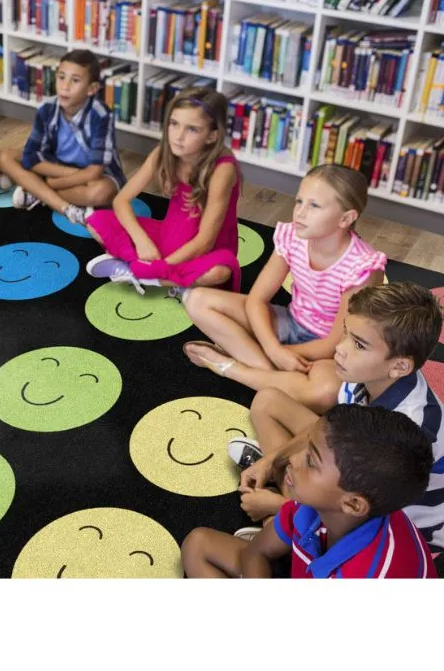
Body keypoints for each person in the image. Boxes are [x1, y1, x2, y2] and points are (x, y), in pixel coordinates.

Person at [228, 282, 444, 550]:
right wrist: (271, 461)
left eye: (359, 345)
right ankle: (284, 501)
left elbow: (360, 510)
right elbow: (328, 427)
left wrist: (278, 505)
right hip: (356, 465)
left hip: (397, 523)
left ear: (400, 366)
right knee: (267, 401)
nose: (339, 349)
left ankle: (281, 523)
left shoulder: (410, 431)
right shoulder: (364, 376)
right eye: (345, 333)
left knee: (274, 536)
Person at [183, 164, 386, 410]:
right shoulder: (292, 237)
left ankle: (230, 367)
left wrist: (281, 350)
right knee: (196, 300)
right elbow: (256, 300)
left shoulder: (363, 267)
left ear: (346, 218)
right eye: (299, 201)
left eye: (314, 206)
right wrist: (274, 350)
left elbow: (335, 341)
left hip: (330, 349)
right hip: (289, 322)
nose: (299, 212)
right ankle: (275, 377)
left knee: (326, 394)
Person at [182, 405, 436, 578]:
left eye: (311, 461)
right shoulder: (316, 504)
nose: (292, 458)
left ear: (353, 505)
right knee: (198, 543)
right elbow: (256, 552)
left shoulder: (370, 573)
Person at [85, 87, 240, 295]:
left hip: (204, 250)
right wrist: (143, 242)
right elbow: (121, 201)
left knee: (218, 273)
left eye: (192, 129)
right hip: (167, 237)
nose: (178, 136)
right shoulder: (163, 153)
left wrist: (159, 267)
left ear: (212, 136)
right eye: (174, 124)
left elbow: (205, 241)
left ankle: (141, 274)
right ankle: (162, 276)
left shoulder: (223, 170)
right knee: (96, 221)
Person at [0, 49, 126, 226]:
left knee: (101, 192)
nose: (65, 86)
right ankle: (67, 208)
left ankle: (37, 191)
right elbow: (31, 157)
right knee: (5, 156)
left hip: (95, 174)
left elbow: (95, 172)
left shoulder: (100, 115)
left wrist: (53, 182)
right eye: (61, 77)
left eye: (75, 80)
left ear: (92, 89)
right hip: (58, 168)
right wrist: (65, 176)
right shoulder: (47, 109)